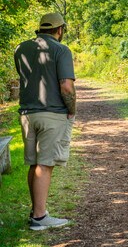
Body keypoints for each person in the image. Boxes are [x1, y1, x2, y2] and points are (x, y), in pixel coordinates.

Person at [14, 12, 76, 230]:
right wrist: (72, 109)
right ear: (60, 30)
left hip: (27, 115)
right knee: (45, 164)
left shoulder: (21, 48)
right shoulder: (61, 50)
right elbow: (66, 86)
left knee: (34, 163)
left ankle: (36, 211)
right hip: (52, 114)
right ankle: (40, 218)